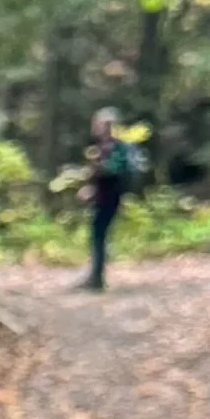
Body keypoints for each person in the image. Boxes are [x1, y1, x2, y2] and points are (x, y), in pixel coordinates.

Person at [80, 107, 137, 291]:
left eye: (99, 124)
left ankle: (97, 279)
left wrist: (95, 182)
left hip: (109, 197)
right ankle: (95, 276)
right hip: (102, 196)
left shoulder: (116, 147)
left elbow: (112, 171)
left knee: (99, 235)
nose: (95, 127)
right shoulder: (102, 147)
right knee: (97, 235)